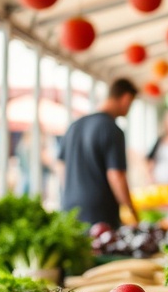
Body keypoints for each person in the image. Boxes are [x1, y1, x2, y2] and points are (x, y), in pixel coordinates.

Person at [58, 79, 139, 227]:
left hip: (69, 209)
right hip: (100, 214)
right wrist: (132, 212)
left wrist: (73, 192)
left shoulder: (75, 125)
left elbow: (60, 165)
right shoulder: (113, 130)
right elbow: (116, 176)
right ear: (126, 99)